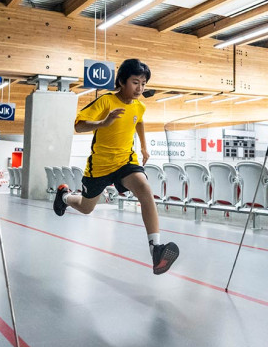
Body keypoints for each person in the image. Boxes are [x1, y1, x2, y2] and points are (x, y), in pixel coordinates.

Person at [53, 59, 179, 275]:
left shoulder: (140, 105)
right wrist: (103, 123)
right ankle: (64, 196)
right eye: (135, 82)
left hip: (125, 162)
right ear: (121, 81)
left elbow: (138, 120)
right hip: (99, 166)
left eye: (143, 83)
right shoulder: (106, 102)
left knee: (145, 191)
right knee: (86, 207)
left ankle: (155, 249)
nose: (140, 88)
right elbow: (79, 125)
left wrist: (144, 148)